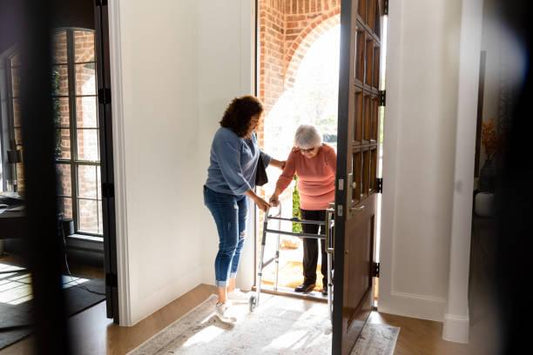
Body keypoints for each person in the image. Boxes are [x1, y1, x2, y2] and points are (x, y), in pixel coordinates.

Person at [203, 95, 284, 320]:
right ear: (241, 118)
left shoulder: (248, 134)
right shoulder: (225, 137)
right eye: (253, 120)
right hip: (220, 195)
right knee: (228, 244)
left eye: (257, 121)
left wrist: (280, 164)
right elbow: (233, 175)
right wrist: (256, 199)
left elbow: (258, 156)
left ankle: (230, 290)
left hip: (239, 195)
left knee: (239, 240)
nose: (256, 125)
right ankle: (221, 301)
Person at [269, 124, 336, 295]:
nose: (306, 153)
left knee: (328, 244)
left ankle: (329, 283)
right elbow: (287, 175)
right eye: (303, 150)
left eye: (310, 149)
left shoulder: (328, 153)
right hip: (307, 205)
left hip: (329, 205)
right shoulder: (296, 153)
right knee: (308, 244)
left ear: (318, 143)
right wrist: (276, 193)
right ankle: (308, 281)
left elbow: (341, 176)